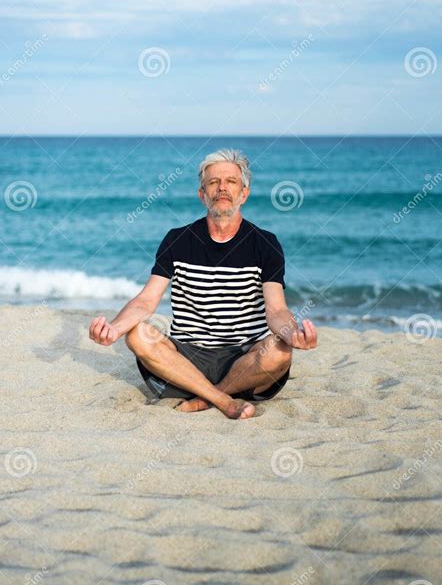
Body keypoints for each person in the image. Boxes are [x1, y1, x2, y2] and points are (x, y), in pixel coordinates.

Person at [89, 149, 317, 420]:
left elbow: (276, 310)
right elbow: (146, 301)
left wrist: (292, 334)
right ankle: (223, 399)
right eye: (213, 182)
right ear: (202, 195)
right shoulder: (178, 239)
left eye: (231, 181)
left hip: (243, 360)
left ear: (244, 193)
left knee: (280, 350)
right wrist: (114, 329)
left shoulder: (265, 244)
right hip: (186, 360)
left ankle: (206, 397)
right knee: (137, 335)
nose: (222, 188)